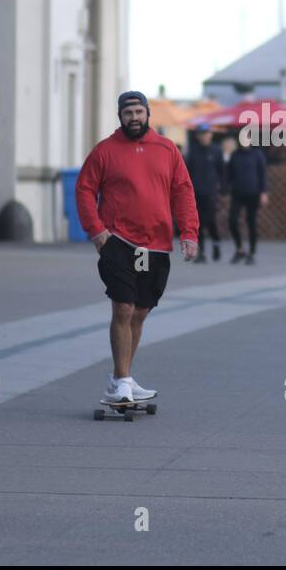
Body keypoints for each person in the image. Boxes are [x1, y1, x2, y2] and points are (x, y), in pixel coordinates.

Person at [76, 91, 199, 406]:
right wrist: (97, 232)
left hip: (156, 245)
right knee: (123, 308)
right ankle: (120, 382)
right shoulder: (105, 151)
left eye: (139, 112)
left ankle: (123, 378)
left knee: (141, 312)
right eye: (128, 112)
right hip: (119, 242)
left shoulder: (167, 149)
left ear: (148, 114)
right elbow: (85, 188)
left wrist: (189, 232)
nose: (134, 117)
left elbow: (182, 191)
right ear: (120, 116)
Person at [185, 123, 225, 263]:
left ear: (211, 134)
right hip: (196, 192)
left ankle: (216, 243)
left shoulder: (216, 151)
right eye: (201, 134)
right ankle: (201, 252)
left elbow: (222, 171)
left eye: (206, 133)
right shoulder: (193, 151)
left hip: (211, 192)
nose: (204, 136)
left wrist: (221, 188)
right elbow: (187, 172)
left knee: (211, 220)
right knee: (198, 223)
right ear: (198, 136)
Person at [227, 128, 268, 265]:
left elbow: (262, 174)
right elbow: (229, 174)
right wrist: (225, 188)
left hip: (253, 193)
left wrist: (263, 192)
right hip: (237, 193)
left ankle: (252, 252)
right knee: (232, 221)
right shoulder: (235, 155)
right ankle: (239, 249)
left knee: (251, 223)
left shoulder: (257, 155)